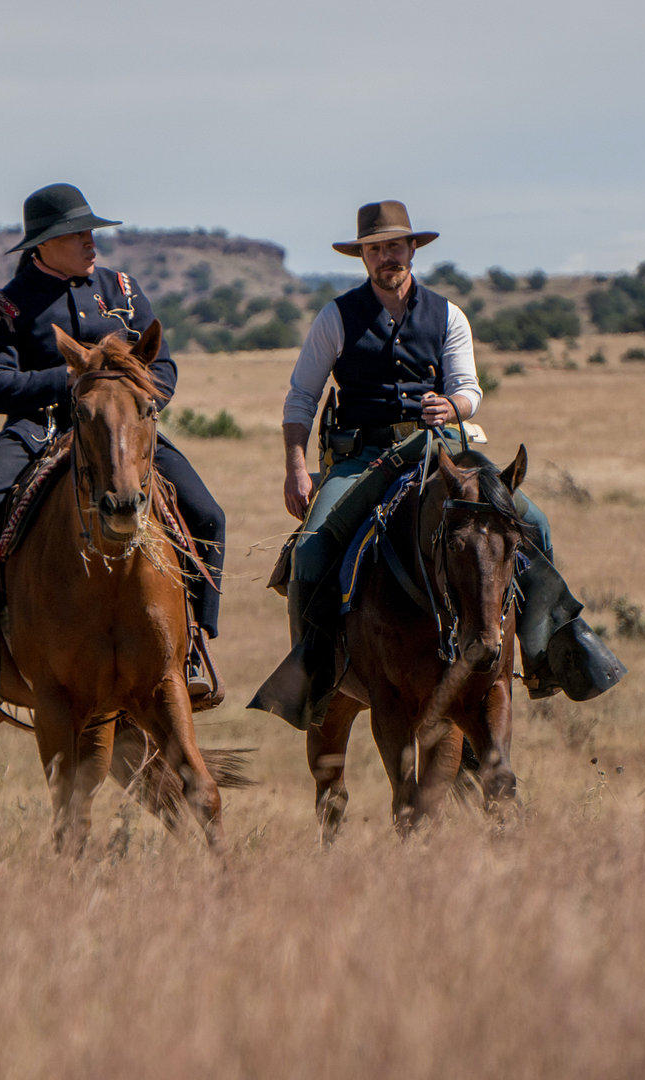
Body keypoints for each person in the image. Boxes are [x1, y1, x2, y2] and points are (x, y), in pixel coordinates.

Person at [249, 200, 623, 729]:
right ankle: (313, 680)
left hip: (441, 450)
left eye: (395, 247)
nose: (386, 257)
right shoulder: (336, 317)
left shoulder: (448, 315)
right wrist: (295, 466)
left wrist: (454, 406)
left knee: (533, 521)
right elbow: (301, 398)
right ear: (362, 257)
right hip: (364, 458)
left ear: (412, 250)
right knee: (311, 552)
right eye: (375, 249)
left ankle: (543, 656)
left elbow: (468, 387)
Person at [0, 183, 226, 706]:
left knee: (207, 515)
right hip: (40, 430)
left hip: (123, 431)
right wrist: (68, 384)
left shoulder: (124, 290)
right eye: (76, 233)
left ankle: (193, 645)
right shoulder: (8, 306)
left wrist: (138, 400)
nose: (90, 241)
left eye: (91, 231)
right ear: (42, 244)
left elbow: (164, 364)